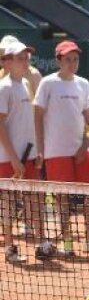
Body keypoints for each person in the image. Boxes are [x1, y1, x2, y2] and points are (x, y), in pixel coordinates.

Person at [34, 40, 89, 258]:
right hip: (55, 151)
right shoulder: (47, 83)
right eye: (67, 59)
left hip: (80, 149)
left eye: (75, 59)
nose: (72, 63)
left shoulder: (84, 84)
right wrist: (41, 148)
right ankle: (67, 242)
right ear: (58, 60)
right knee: (62, 199)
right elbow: (38, 115)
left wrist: (85, 144)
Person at [0, 38, 41, 264]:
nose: (25, 61)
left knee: (34, 197)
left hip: (30, 154)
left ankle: (42, 242)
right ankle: (9, 247)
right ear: (7, 62)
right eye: (20, 58)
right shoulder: (3, 87)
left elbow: (28, 121)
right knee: (7, 201)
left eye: (27, 57)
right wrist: (14, 158)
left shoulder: (25, 84)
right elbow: (0, 124)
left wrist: (37, 149)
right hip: (9, 157)